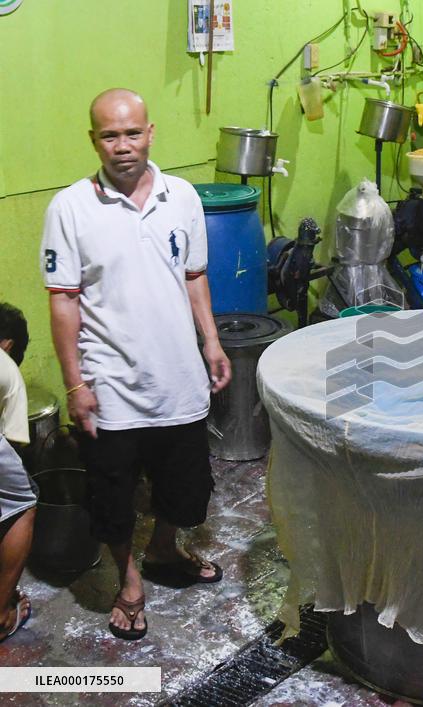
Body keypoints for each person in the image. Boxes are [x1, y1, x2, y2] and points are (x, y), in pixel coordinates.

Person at [40, 88, 232, 641]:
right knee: (113, 496)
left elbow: (194, 275)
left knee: (187, 487)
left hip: (178, 376)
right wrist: (76, 383)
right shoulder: (70, 207)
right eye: (109, 135)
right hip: (111, 382)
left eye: (131, 133)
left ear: (150, 132)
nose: (122, 146)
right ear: (93, 139)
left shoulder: (183, 196)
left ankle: (165, 549)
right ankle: (129, 581)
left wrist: (212, 344)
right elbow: (64, 300)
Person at [0, 303, 36, 643]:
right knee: (23, 504)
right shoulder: (5, 366)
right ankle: (1, 613)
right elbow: (14, 442)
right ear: (8, 344)